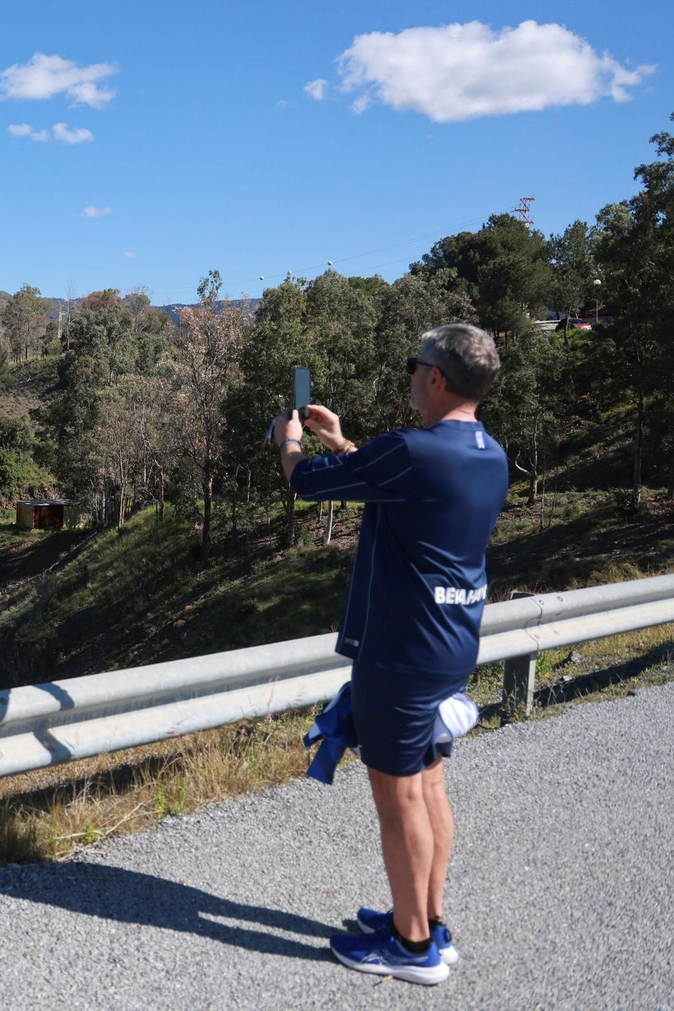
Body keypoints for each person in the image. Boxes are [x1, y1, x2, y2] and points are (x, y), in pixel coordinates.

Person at [273, 323, 507, 986]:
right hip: (451, 643)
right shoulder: (488, 453)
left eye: (416, 365)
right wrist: (342, 440)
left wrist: (290, 441)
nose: (411, 375)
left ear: (436, 378)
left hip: (400, 652)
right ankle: (427, 922)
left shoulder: (415, 450)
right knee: (428, 783)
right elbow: (399, 489)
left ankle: (411, 949)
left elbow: (309, 483)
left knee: (399, 796)